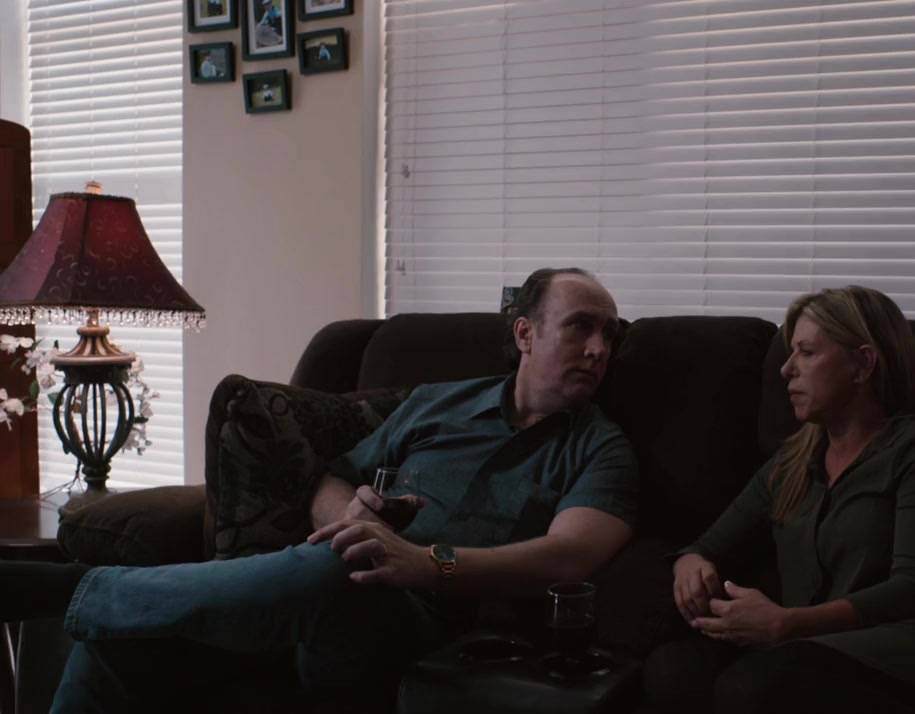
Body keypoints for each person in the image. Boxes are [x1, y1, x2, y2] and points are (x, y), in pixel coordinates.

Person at [0, 268, 638, 713]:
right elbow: (335, 476)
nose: (598, 349)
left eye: (609, 335)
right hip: (320, 592)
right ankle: (92, 600)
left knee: (339, 567)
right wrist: (352, 515)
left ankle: (63, 588)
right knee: (118, 647)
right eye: (580, 328)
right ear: (525, 334)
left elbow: (570, 555)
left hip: (433, 624)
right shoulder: (437, 404)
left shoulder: (600, 448)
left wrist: (426, 563)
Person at [644, 286, 915, 714]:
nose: (786, 369)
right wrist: (689, 564)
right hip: (817, 644)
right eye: (790, 353)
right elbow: (706, 545)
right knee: (673, 671)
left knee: (754, 688)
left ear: (862, 363)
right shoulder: (790, 462)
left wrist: (787, 625)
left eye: (806, 353)